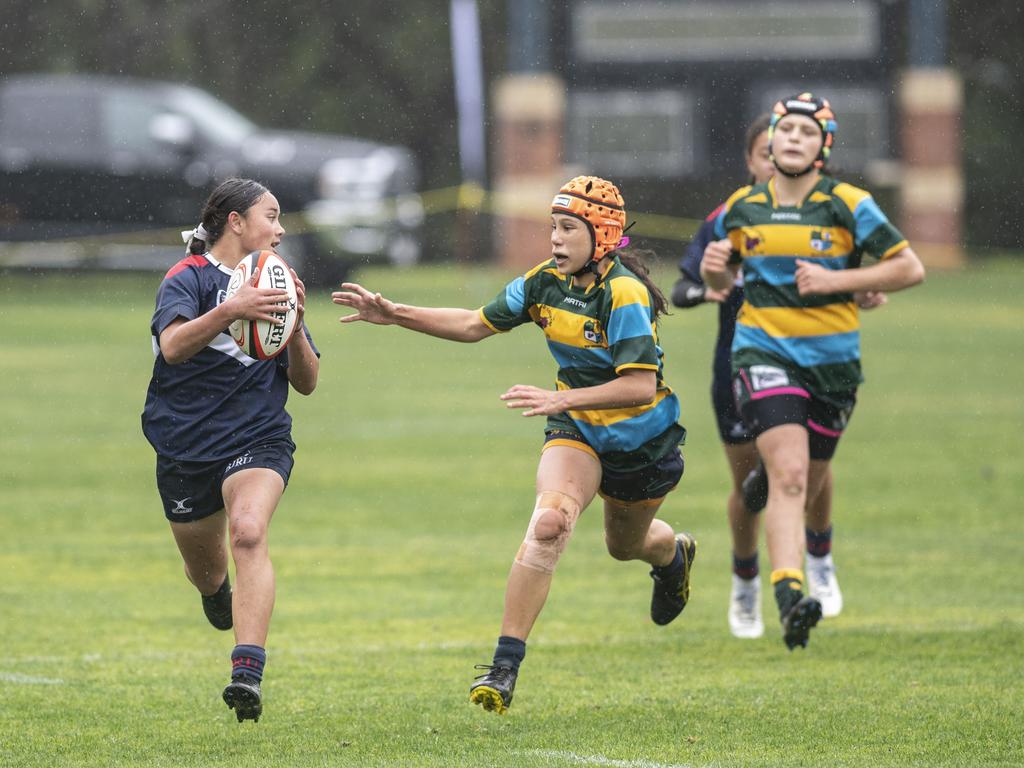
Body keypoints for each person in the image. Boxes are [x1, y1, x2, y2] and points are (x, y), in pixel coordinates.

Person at [333, 176, 696, 714]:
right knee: (550, 523)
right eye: (553, 227)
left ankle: (672, 557)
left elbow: (639, 384)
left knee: (625, 546)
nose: (555, 239)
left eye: (569, 229)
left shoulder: (623, 293)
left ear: (604, 236)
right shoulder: (543, 282)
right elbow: (475, 324)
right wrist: (396, 314)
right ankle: (503, 668)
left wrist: (561, 401)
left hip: (643, 444)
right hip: (577, 433)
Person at [701, 93, 924, 650]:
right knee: (791, 477)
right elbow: (722, 286)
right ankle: (788, 594)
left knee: (810, 480)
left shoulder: (848, 204)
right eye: (786, 129)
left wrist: (838, 283)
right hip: (763, 357)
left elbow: (908, 267)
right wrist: (717, 277)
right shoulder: (741, 208)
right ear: (769, 143)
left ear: (823, 147)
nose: (794, 138)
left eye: (807, 131)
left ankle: (815, 559)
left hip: (834, 367)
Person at [672, 115, 886, 639]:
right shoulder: (733, 216)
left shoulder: (824, 210)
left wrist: (860, 287)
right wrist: (710, 286)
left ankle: (819, 554)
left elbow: (852, 268)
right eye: (767, 152)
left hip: (813, 359)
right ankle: (744, 579)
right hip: (741, 365)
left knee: (803, 469)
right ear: (751, 161)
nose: (779, 158)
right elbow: (682, 286)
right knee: (750, 486)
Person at [141, 178, 320, 722]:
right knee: (207, 573)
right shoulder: (187, 277)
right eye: (271, 215)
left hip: (257, 435)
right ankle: (215, 591)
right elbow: (171, 347)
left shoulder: (281, 282)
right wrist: (231, 309)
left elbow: (308, 383)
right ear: (236, 222)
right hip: (185, 444)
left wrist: (297, 323)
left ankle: (247, 673)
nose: (281, 227)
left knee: (248, 530)